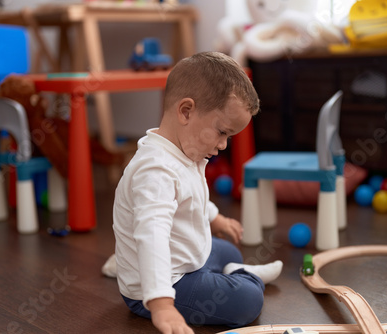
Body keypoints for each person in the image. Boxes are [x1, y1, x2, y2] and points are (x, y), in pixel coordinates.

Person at [109, 51, 283, 333]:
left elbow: (193, 197)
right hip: (160, 287)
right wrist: (163, 304)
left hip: (185, 260)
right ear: (186, 111)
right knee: (247, 301)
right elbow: (152, 235)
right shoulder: (156, 171)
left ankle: (233, 272)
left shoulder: (184, 152)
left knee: (229, 252)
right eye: (222, 132)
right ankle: (246, 279)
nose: (224, 145)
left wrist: (215, 219)